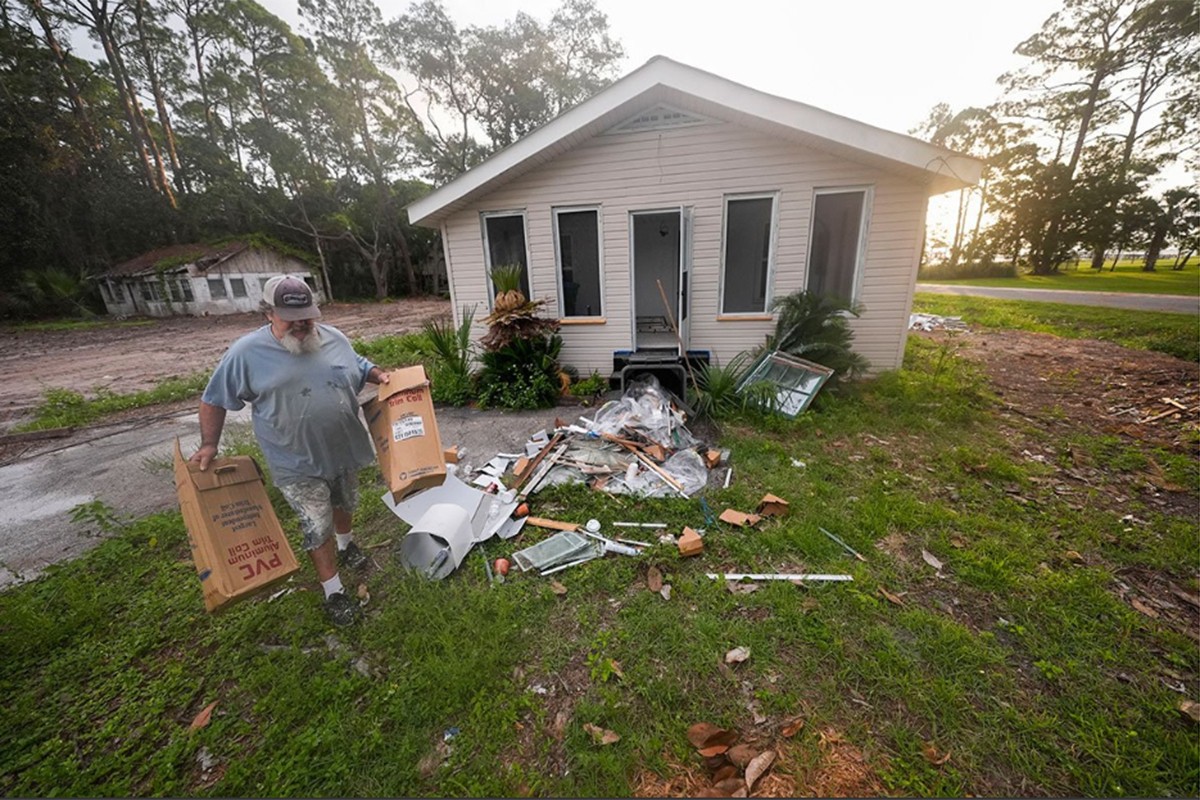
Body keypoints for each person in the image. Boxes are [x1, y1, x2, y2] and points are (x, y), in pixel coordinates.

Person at [191, 275, 389, 627]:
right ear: (268, 313)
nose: (300, 325)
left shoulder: (332, 337)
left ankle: (347, 545)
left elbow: (357, 364)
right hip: (295, 460)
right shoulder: (246, 353)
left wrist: (380, 375)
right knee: (317, 522)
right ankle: (333, 592)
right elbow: (213, 399)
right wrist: (209, 444)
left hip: (342, 447)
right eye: (289, 318)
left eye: (306, 317)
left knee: (344, 503)